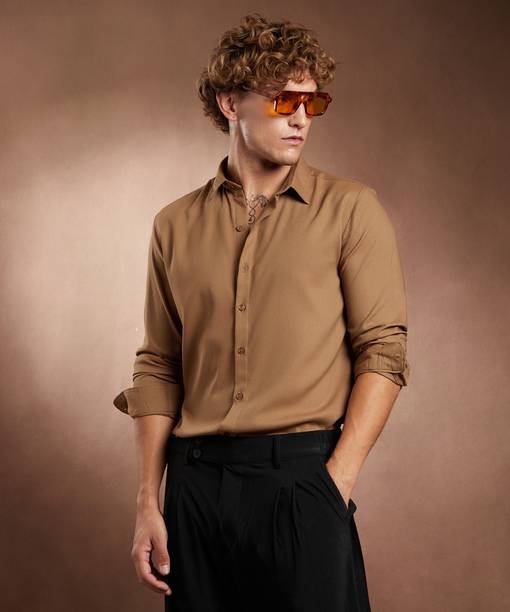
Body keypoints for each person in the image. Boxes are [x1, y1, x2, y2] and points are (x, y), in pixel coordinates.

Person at [113, 12, 411, 612]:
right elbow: (159, 365)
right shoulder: (174, 224)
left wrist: (335, 484)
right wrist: (149, 500)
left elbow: (383, 350)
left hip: (302, 484)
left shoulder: (351, 210)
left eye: (312, 102)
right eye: (282, 100)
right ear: (230, 103)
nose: (302, 118)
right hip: (195, 488)